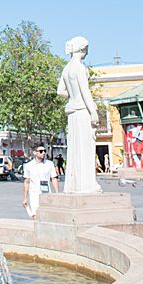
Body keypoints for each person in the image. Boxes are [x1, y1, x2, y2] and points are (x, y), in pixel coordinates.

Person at [58, 36, 102, 193]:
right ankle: (87, 185)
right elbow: (85, 92)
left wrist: (72, 94)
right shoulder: (80, 68)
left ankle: (74, 185)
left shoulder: (66, 69)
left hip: (72, 111)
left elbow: (60, 92)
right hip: (82, 110)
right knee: (85, 148)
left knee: (75, 149)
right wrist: (93, 111)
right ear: (83, 49)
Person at [22, 146, 59, 218]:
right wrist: (25, 198)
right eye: (41, 151)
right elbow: (27, 182)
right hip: (34, 194)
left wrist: (57, 193)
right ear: (35, 153)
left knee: (47, 216)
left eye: (45, 151)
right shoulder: (28, 165)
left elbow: (54, 178)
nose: (44, 153)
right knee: (35, 215)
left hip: (47, 193)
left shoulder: (49, 164)